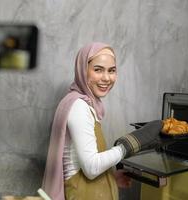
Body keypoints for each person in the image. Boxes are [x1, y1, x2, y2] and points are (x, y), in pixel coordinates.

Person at [42, 42, 163, 200]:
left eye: (111, 71)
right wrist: (129, 145)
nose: (106, 78)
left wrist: (111, 177)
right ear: (82, 71)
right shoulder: (79, 107)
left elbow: (77, 164)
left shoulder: (84, 104)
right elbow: (91, 167)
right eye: (98, 70)